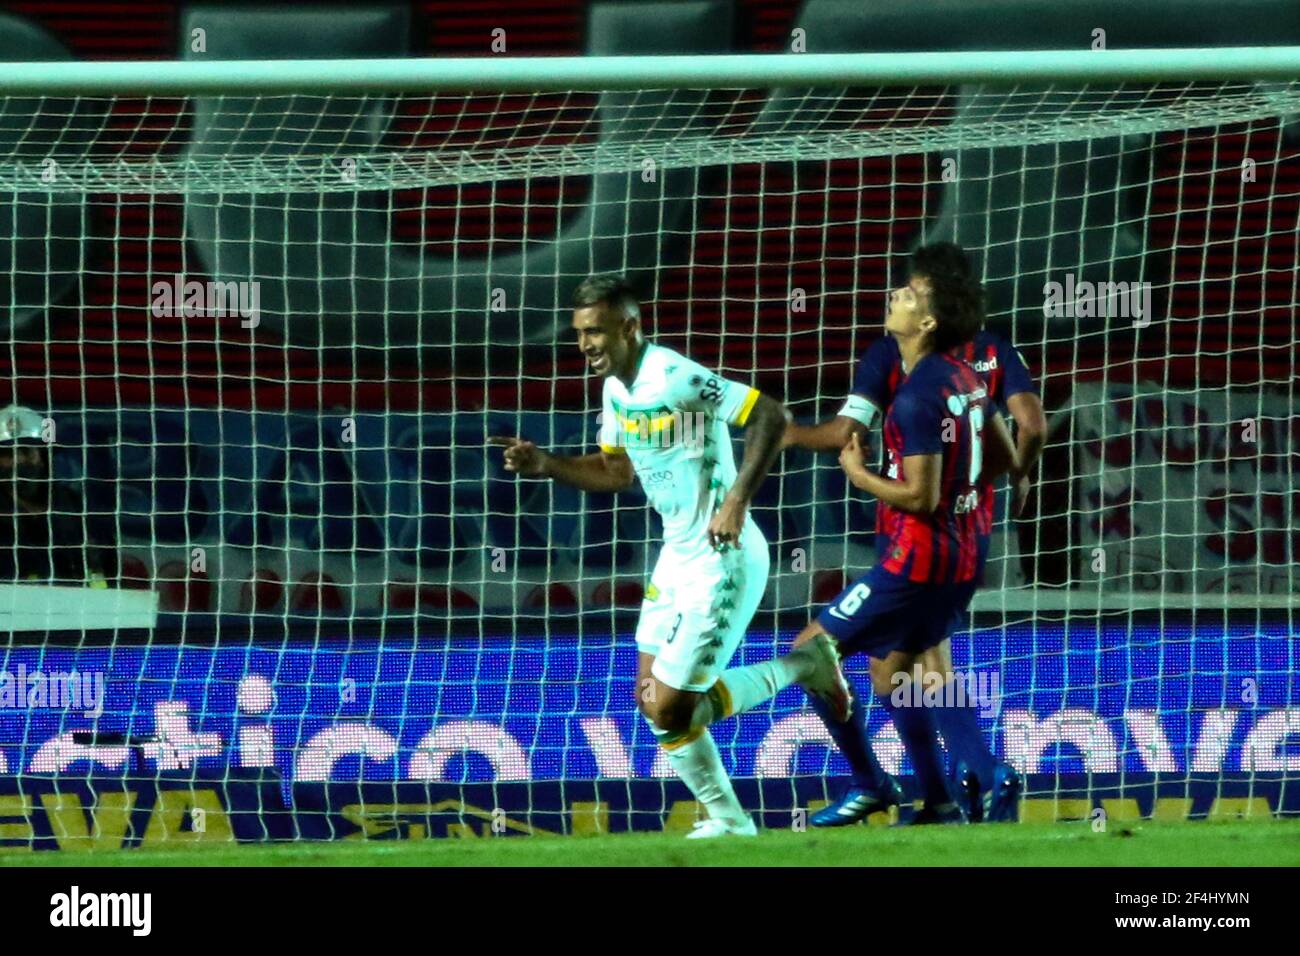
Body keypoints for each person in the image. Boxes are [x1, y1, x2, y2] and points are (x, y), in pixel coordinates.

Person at [490, 274, 850, 838]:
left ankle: (805, 666)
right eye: (580, 333)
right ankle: (731, 823)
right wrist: (548, 466)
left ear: (631, 327)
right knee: (650, 697)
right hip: (676, 557)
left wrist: (734, 501)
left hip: (722, 554)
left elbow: (771, 416)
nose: (586, 344)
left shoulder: (675, 375)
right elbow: (615, 471)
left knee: (668, 708)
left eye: (597, 332)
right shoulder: (616, 389)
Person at [786, 243, 1022, 824]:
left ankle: (873, 781)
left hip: (915, 560)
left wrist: (858, 473)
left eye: (907, 295)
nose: (893, 297)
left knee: (808, 653)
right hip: (965, 552)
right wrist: (964, 498)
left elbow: (918, 495)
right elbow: (1010, 450)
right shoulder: (966, 374)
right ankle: (947, 796)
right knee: (896, 671)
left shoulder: (914, 398)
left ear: (927, 320)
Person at [0, 404, 114, 586]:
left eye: (27, 451)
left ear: (46, 456)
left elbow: (106, 575)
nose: (18, 460)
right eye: (7, 453)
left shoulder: (79, 512)